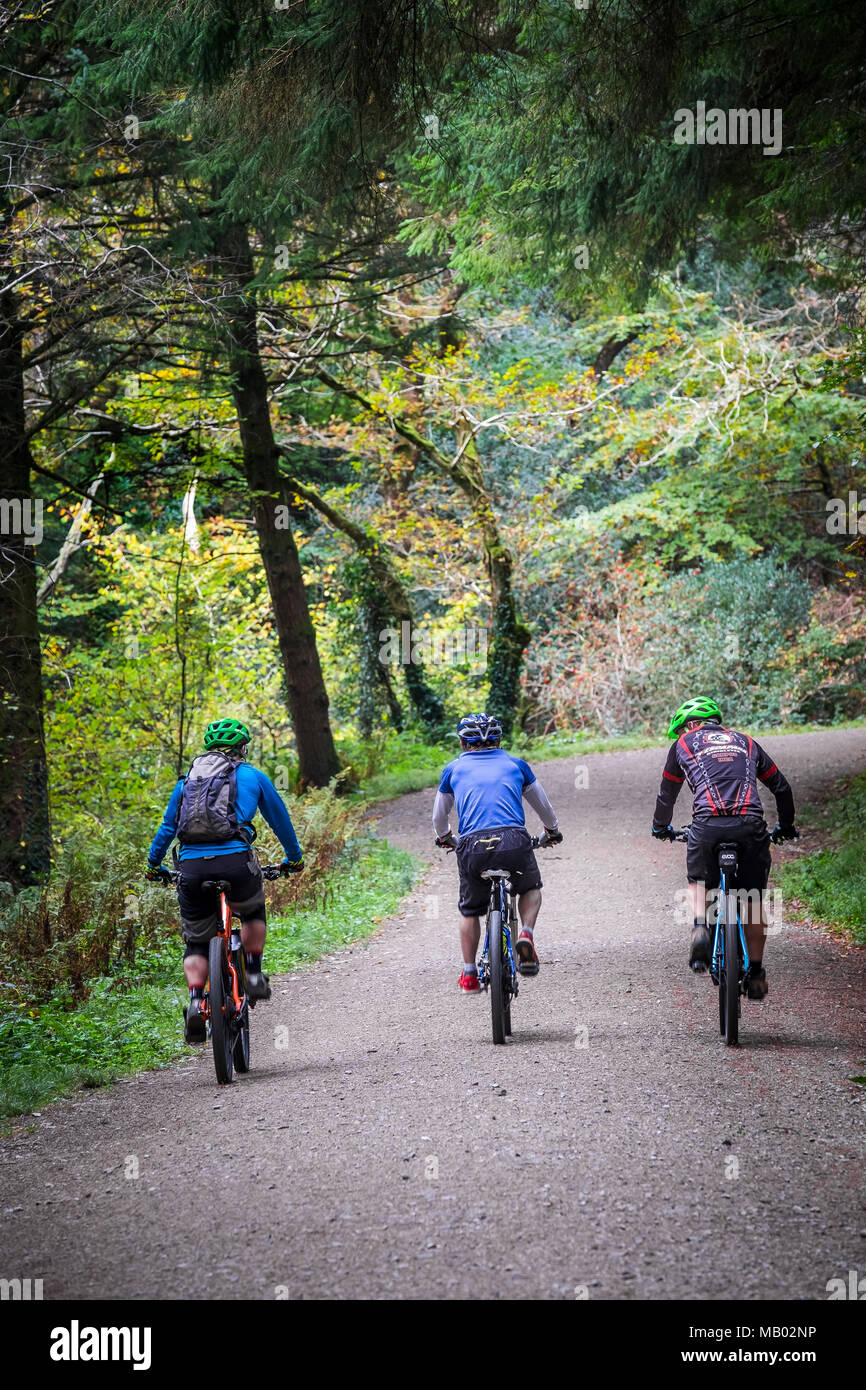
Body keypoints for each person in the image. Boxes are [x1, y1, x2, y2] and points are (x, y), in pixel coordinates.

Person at [145, 717, 303, 1043]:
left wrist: (153, 865)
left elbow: (167, 829)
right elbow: (280, 820)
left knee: (197, 940)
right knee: (252, 910)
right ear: (242, 747)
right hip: (236, 865)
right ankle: (254, 972)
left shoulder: (186, 781)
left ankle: (195, 1001)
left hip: (191, 869)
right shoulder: (252, 776)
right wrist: (293, 858)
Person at [651, 697, 798, 999]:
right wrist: (785, 826)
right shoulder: (746, 743)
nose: (681, 736)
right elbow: (781, 787)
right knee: (754, 898)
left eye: (680, 730)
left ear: (691, 725)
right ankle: (755, 973)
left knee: (698, 880)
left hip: (708, 826)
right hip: (750, 825)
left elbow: (667, 793)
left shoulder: (685, 744)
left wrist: (660, 827)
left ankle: (700, 928)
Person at [433, 712, 563, 992]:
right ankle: (526, 934)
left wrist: (445, 838)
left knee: (469, 910)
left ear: (461, 742)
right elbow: (544, 806)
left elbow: (438, 817)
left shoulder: (453, 770)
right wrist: (551, 831)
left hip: (472, 846)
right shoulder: (516, 765)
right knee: (529, 887)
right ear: (499, 739)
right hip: (513, 842)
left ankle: (469, 974)